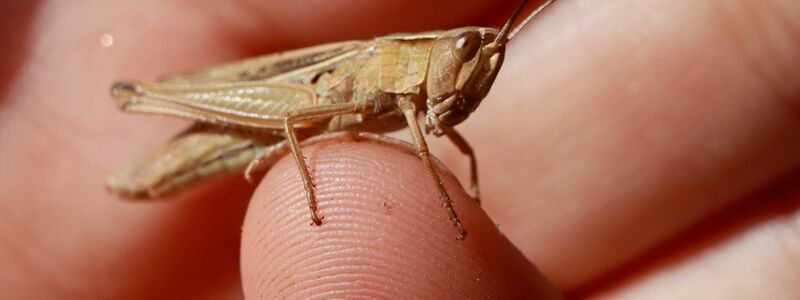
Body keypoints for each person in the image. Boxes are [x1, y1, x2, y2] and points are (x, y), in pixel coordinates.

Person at [1, 0, 798, 298]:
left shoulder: (423, 98)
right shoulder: (388, 70)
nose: (475, 65)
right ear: (427, 47)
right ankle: (152, 107)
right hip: (260, 103)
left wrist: (468, 178)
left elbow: (447, 136)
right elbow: (321, 111)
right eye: (467, 49)